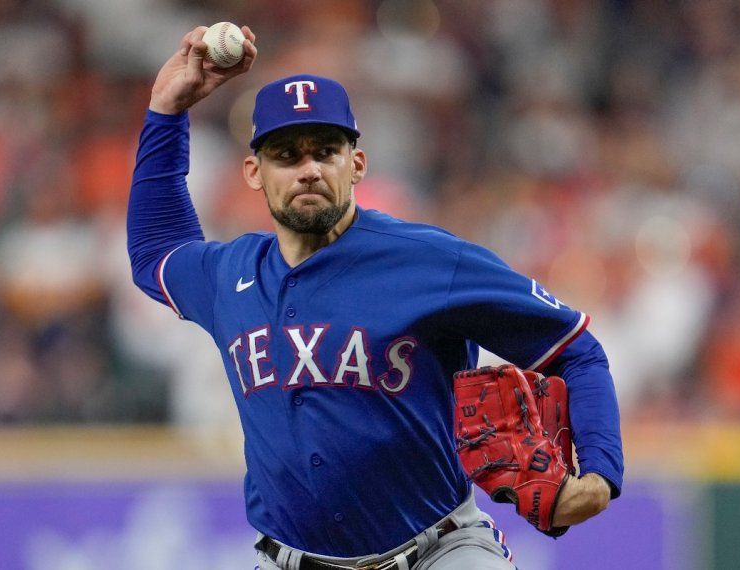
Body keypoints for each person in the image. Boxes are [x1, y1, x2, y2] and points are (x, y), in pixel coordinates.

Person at [128, 25, 623, 570]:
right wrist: (166, 111)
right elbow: (156, 250)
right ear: (254, 172)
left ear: (356, 164)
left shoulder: (430, 261)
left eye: (326, 151)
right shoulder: (229, 276)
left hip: (441, 551)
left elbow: (577, 349)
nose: (309, 168)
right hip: (291, 559)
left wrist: (599, 474)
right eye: (287, 154)